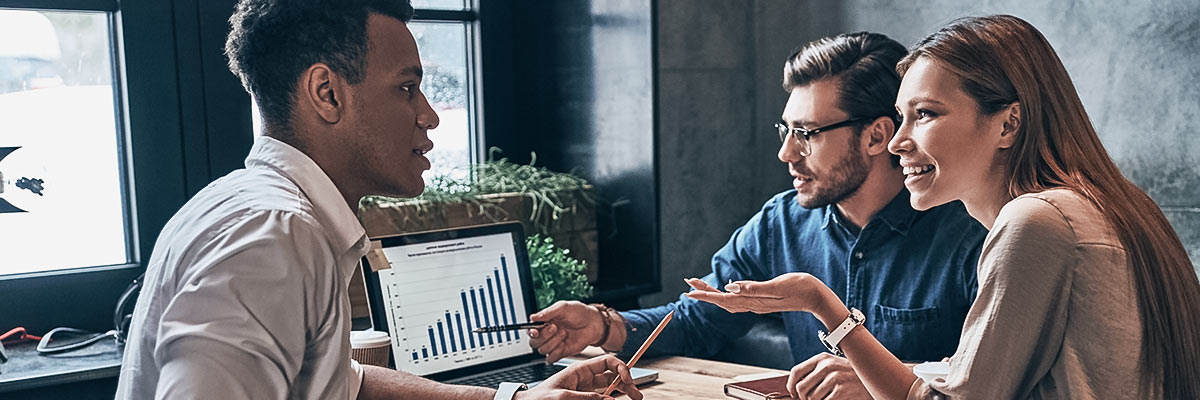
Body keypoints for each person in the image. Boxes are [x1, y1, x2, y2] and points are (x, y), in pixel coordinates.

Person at [115, 1, 643, 399]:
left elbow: (342, 380)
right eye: (407, 88)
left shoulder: (256, 207)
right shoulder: (271, 236)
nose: (430, 115)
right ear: (327, 93)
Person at [687, 14, 1200, 400]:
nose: (896, 143)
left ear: (1007, 124)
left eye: (925, 114)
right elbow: (973, 376)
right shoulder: (1102, 206)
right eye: (901, 116)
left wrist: (822, 304)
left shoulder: (1035, 223)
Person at [528, 32, 988, 399]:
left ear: (876, 136)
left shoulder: (972, 232)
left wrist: (889, 380)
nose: (786, 152)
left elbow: (993, 377)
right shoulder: (780, 223)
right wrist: (601, 325)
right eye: (786, 130)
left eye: (807, 133)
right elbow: (699, 318)